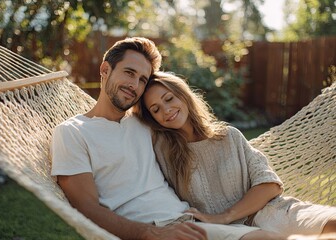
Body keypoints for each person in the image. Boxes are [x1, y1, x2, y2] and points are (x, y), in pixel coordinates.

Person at [51, 37, 285, 240]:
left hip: (190, 221)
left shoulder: (144, 123)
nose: (134, 85)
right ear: (105, 70)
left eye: (143, 79)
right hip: (152, 231)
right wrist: (151, 234)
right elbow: (85, 208)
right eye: (129, 73)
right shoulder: (72, 132)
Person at [134, 71, 336, 238]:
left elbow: (269, 185)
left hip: (272, 212)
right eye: (156, 109)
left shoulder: (228, 136)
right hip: (231, 234)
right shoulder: (163, 153)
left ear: (184, 96)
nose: (166, 110)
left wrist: (225, 215)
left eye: (169, 98)